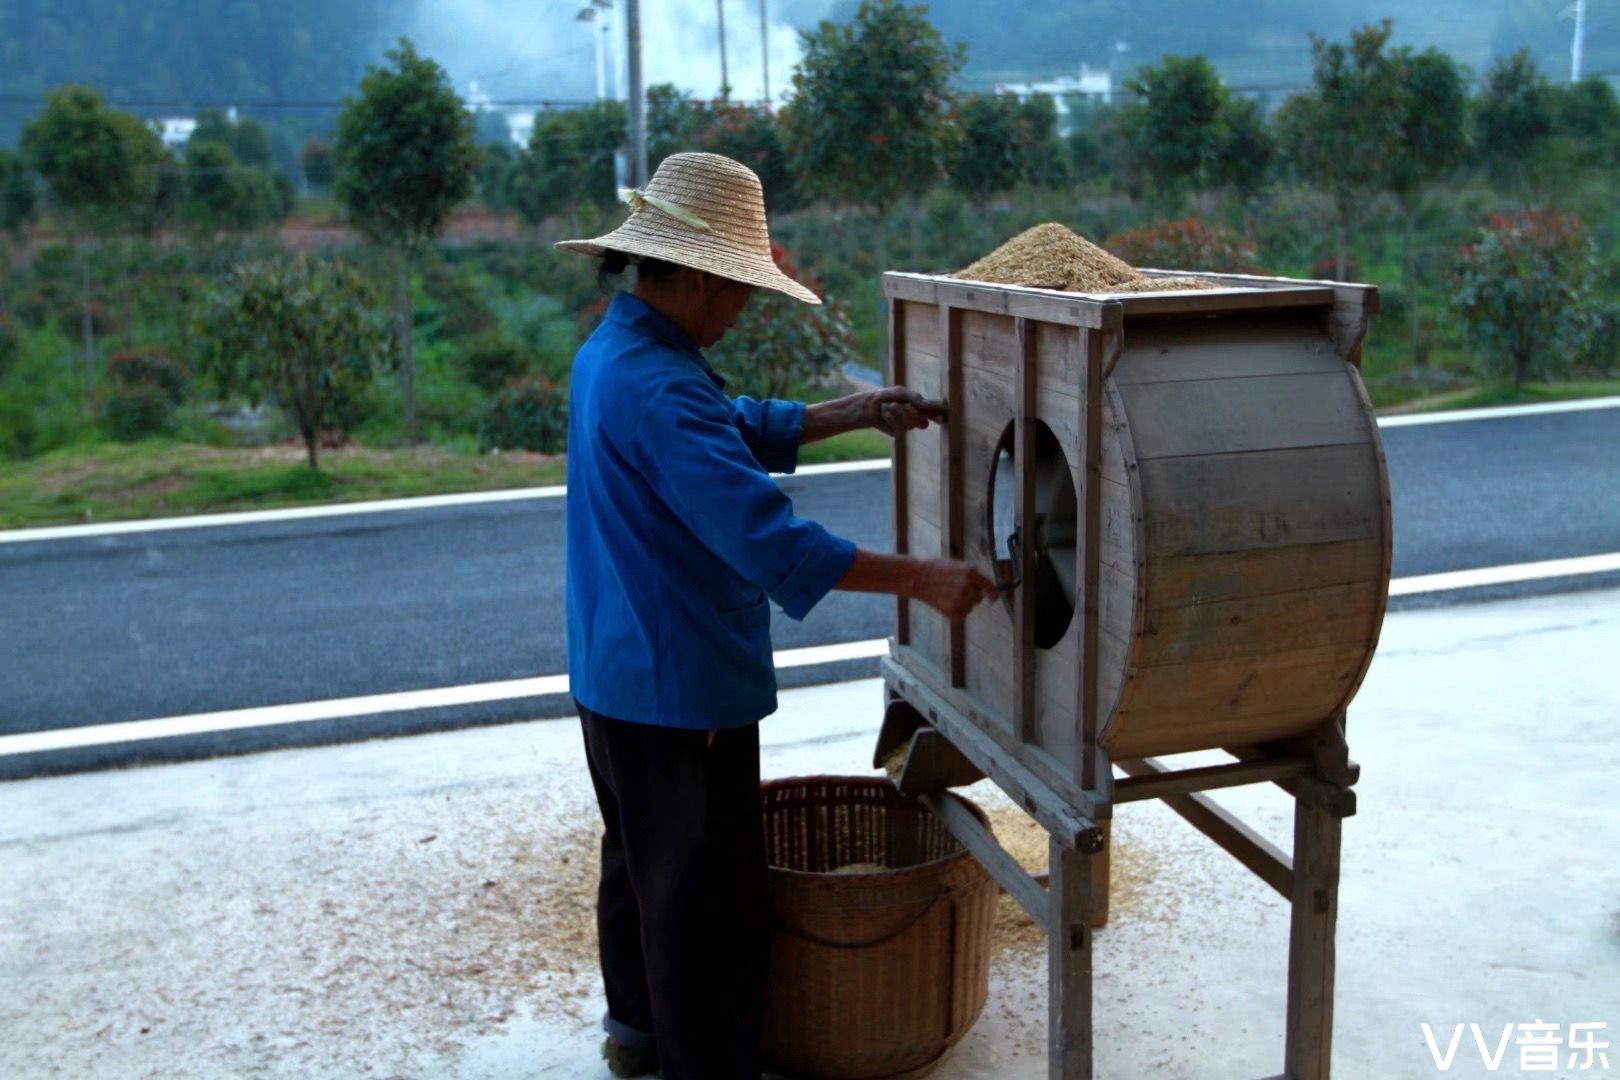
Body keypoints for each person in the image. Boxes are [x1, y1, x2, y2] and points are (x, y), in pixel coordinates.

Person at [555, 152, 998, 1080]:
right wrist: (924, 577)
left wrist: (856, 410)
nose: (744, 310)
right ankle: (703, 1063)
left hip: (614, 674)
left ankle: (634, 1035)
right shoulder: (663, 386)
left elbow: (733, 426)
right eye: (742, 291)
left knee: (640, 866)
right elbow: (769, 542)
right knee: (704, 901)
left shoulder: (620, 352)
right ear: (702, 277)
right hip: (680, 691)